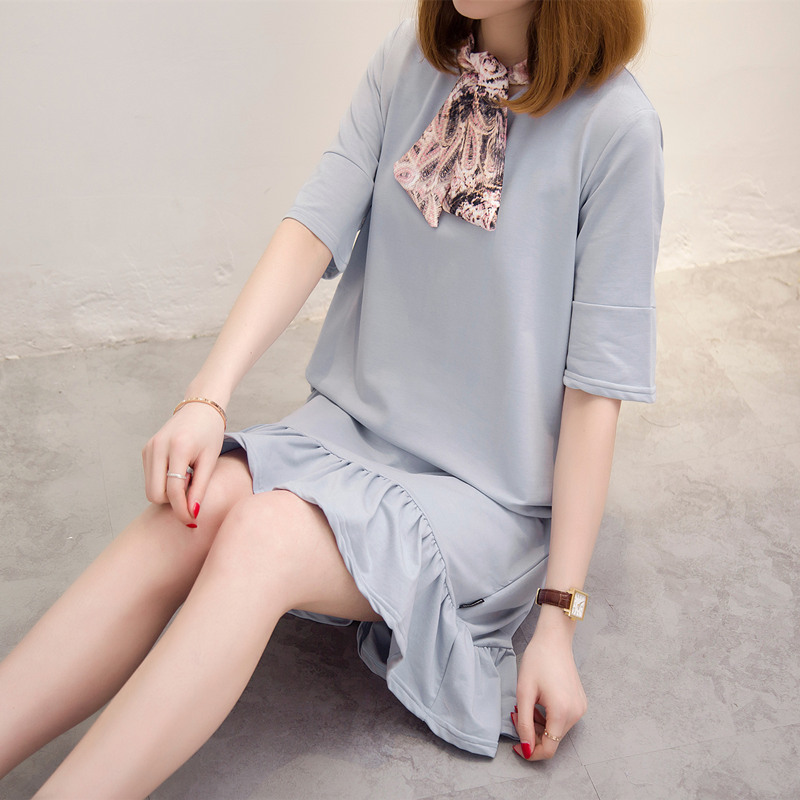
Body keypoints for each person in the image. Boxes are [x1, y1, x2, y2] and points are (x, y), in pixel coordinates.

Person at [0, 0, 664, 796]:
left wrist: (556, 618)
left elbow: (595, 389)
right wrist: (205, 398)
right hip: (348, 429)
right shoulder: (411, 59)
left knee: (265, 533)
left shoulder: (618, 130)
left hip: (484, 494)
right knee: (196, 504)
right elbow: (315, 223)